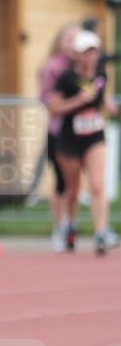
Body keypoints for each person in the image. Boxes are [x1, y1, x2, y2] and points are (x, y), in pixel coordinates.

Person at [49, 30, 118, 255]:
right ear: (78, 55)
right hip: (69, 139)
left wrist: (110, 107)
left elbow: (103, 101)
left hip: (94, 136)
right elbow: (54, 107)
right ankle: (69, 225)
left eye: (94, 52)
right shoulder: (66, 78)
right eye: (86, 52)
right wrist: (78, 101)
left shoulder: (101, 74)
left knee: (97, 184)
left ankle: (101, 232)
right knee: (73, 188)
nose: (90, 57)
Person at [37, 22, 78, 252]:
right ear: (60, 43)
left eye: (76, 39)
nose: (73, 44)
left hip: (81, 133)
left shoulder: (84, 67)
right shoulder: (53, 67)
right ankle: (60, 226)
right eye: (69, 39)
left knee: (75, 182)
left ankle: (71, 224)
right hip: (58, 131)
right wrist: (66, 103)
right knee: (62, 182)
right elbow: (45, 98)